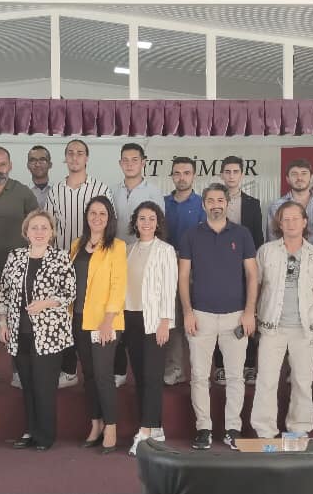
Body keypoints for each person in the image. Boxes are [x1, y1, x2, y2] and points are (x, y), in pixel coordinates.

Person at [179, 183, 259, 451]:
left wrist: (249, 312)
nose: (216, 205)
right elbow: (183, 277)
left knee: (235, 377)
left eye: (220, 200)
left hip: (235, 317)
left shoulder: (242, 234)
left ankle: (232, 429)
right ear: (203, 205)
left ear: (227, 203)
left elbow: (252, 275)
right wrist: (187, 312)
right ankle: (203, 428)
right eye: (210, 200)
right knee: (199, 376)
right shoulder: (191, 235)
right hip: (200, 316)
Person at [0, 210, 76, 451]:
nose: (39, 232)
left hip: (49, 334)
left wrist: (46, 303)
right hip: (19, 331)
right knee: (28, 385)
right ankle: (30, 430)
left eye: (44, 227)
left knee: (44, 386)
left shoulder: (61, 257)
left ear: (52, 232)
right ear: (26, 232)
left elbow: (70, 292)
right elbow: (4, 291)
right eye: (34, 227)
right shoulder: (15, 256)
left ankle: (45, 435)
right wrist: (2, 322)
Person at [250, 201, 313, 440]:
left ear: (304, 222)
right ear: (279, 223)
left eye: (296, 219)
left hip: (304, 328)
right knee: (266, 380)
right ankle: (265, 431)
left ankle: (299, 428)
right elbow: (257, 285)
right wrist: (253, 314)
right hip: (272, 327)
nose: (291, 223)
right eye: (286, 219)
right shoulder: (266, 251)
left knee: (302, 381)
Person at [44, 139, 112, 388]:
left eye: (80, 153)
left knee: (91, 314)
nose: (75, 157)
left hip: (94, 262)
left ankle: (100, 371)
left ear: (87, 158)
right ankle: (69, 370)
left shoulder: (100, 188)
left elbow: (109, 224)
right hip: (64, 261)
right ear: (65, 157)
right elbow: (50, 230)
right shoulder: (55, 190)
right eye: (70, 153)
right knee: (66, 316)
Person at [69, 196, 127, 454]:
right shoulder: (76, 245)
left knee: (103, 375)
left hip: (105, 321)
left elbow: (118, 285)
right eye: (92, 213)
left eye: (102, 213)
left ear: (109, 218)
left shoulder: (117, 246)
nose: (97, 217)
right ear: (86, 216)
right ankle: (96, 424)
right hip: (79, 319)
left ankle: (111, 428)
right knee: (89, 376)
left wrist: (107, 321)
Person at [123, 202, 177, 456]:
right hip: (131, 319)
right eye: (142, 218)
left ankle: (144, 432)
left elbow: (169, 287)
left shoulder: (165, 250)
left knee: (152, 377)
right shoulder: (128, 249)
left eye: (151, 218)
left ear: (158, 223)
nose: (146, 223)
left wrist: (165, 320)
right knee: (140, 377)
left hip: (154, 321)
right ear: (135, 222)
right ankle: (155, 428)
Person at [109, 143, 165, 387]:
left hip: (144, 259)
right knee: (118, 312)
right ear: (120, 163)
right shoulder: (113, 191)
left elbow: (158, 226)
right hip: (117, 258)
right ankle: (119, 369)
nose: (130, 164)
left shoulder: (153, 192)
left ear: (143, 162)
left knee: (140, 315)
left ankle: (148, 371)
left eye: (135, 159)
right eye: (125, 160)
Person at [218, 156, 262, 385]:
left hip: (245, 268)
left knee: (248, 315)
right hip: (218, 268)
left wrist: (254, 270)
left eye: (236, 171)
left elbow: (258, 240)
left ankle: (249, 366)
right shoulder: (214, 200)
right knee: (218, 318)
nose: (231, 176)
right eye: (227, 171)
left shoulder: (253, 204)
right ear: (222, 175)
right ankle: (220, 367)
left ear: (242, 175)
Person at [162, 157, 205, 386]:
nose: (182, 177)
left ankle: (200, 372)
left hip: (197, 271)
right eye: (177, 173)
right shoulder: (162, 203)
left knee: (199, 320)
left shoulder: (202, 204)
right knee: (175, 320)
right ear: (172, 176)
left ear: (194, 176)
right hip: (168, 270)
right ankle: (176, 368)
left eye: (186, 173)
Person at [266, 159, 313, 257]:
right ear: (287, 179)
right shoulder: (276, 206)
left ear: (311, 177)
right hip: (288, 260)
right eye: (294, 174)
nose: (299, 178)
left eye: (304, 173)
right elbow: (272, 240)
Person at [28, 145, 53, 210]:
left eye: (42, 160)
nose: (37, 164)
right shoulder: (22, 192)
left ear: (50, 164)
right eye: (33, 160)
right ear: (28, 165)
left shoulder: (60, 191)